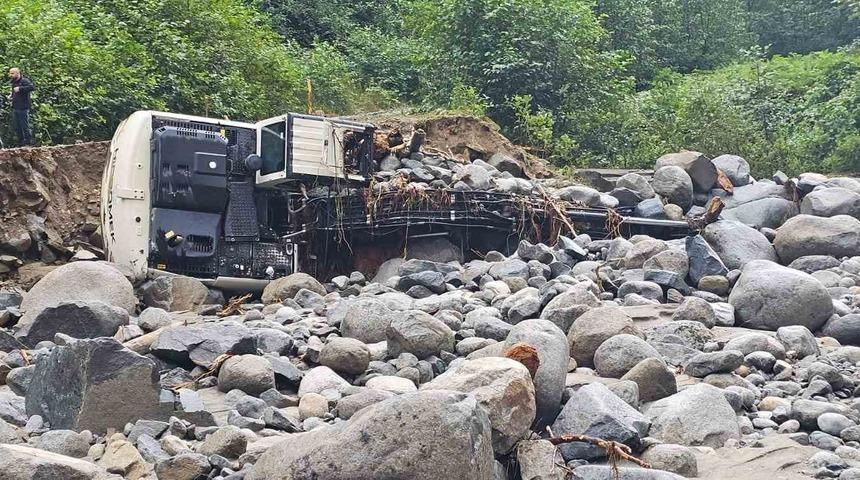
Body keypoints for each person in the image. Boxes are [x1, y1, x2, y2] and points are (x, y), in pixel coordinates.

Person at [9, 68, 34, 146]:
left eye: (12, 73)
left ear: (17, 73)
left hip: (23, 107)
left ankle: (28, 142)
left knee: (24, 125)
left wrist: (20, 88)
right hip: (15, 107)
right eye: (10, 73)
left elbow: (32, 87)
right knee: (17, 126)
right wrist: (11, 96)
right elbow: (14, 92)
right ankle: (20, 142)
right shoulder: (13, 82)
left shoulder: (24, 81)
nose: (10, 75)